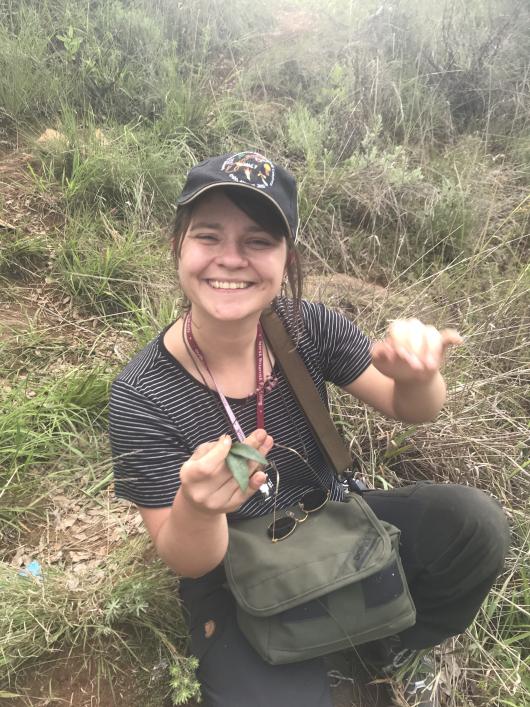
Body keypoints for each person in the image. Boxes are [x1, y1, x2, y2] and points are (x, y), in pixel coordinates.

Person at [109, 151, 510, 707]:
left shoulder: (308, 326)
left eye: (258, 240)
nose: (230, 259)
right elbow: (186, 558)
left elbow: (409, 407)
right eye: (208, 236)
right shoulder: (140, 392)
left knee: (475, 526)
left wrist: (419, 378)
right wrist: (200, 509)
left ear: (286, 258)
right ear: (178, 245)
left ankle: (394, 645)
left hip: (329, 514)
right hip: (228, 563)